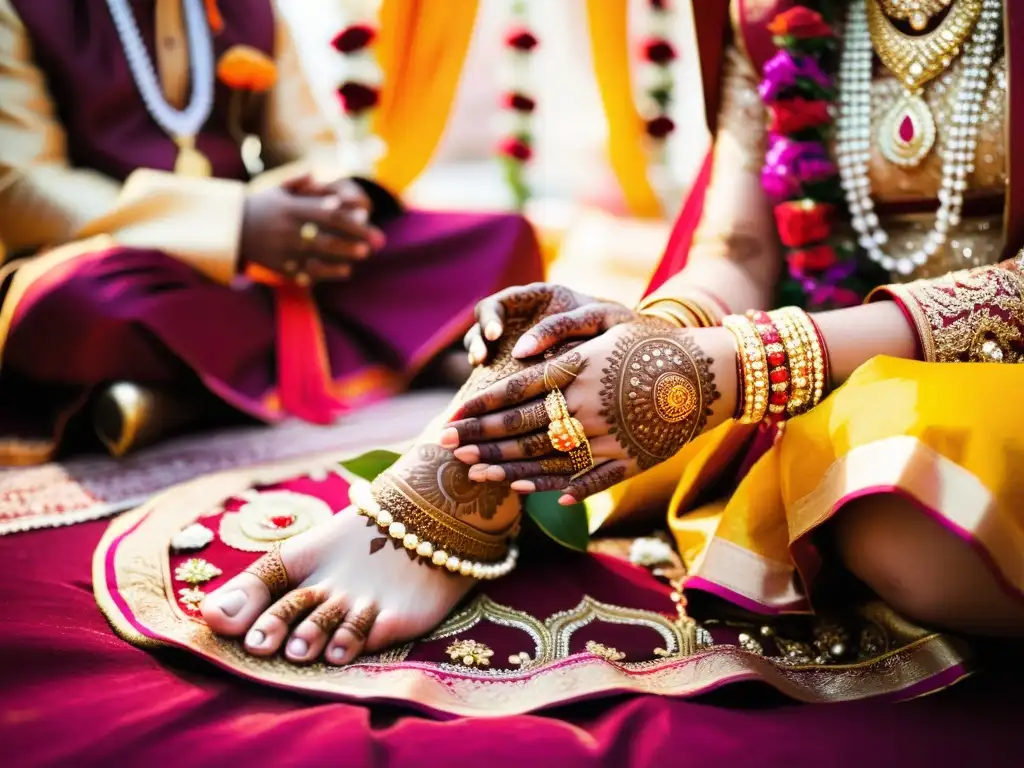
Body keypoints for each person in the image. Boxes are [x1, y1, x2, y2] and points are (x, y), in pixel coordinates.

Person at [199, 0, 1024, 667]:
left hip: (964, 383)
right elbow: (735, 250)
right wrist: (647, 344)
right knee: (611, 403)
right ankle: (446, 494)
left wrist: (744, 362)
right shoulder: (773, 13)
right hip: (830, 355)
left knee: (895, 481)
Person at [0, 0, 542, 465]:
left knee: (499, 238)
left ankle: (184, 396)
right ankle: (403, 353)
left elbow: (308, 144)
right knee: (85, 306)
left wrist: (333, 199)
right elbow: (21, 186)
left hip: (266, 263)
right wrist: (232, 224)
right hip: (122, 259)